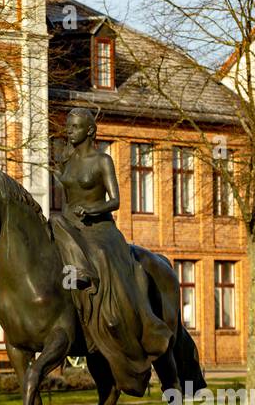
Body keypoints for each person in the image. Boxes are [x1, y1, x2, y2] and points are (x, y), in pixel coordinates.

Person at [51, 106, 173, 362]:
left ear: (90, 130)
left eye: (75, 127)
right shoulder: (66, 159)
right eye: (68, 126)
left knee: (100, 255)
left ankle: (121, 312)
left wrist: (93, 209)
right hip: (72, 225)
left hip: (100, 227)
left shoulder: (102, 161)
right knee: (54, 224)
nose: (69, 131)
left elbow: (115, 200)